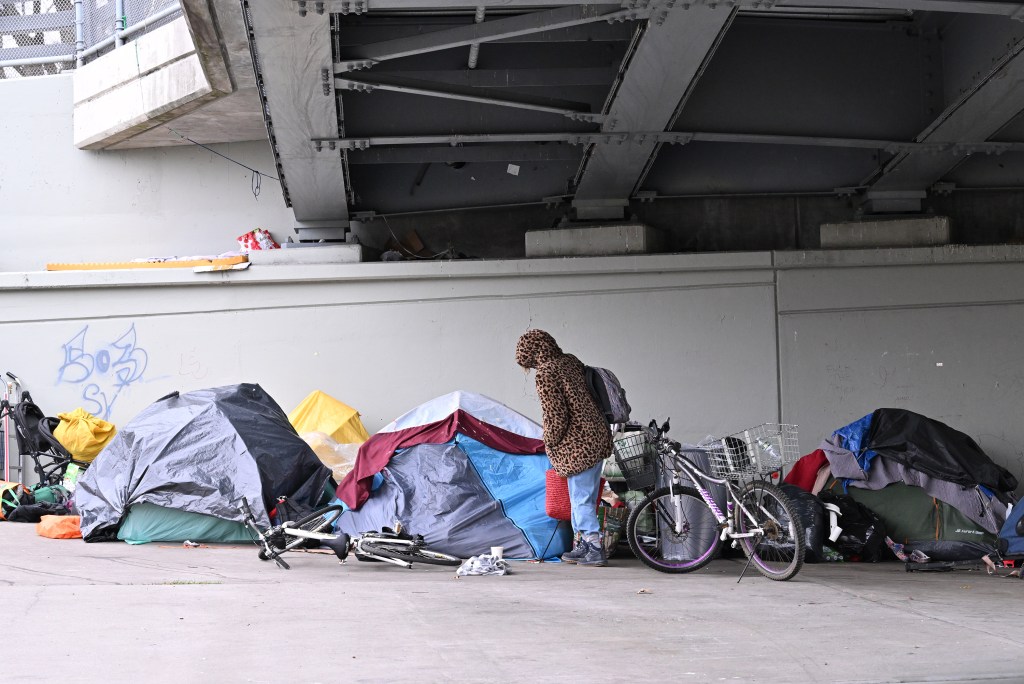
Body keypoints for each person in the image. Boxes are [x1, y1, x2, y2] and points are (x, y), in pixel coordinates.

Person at [515, 329, 612, 566]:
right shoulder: (570, 360)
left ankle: (593, 547)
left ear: (533, 354)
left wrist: (549, 440)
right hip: (597, 435)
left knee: (580, 499)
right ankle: (583, 544)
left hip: (578, 444)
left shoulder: (547, 373)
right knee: (583, 496)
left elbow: (555, 416)